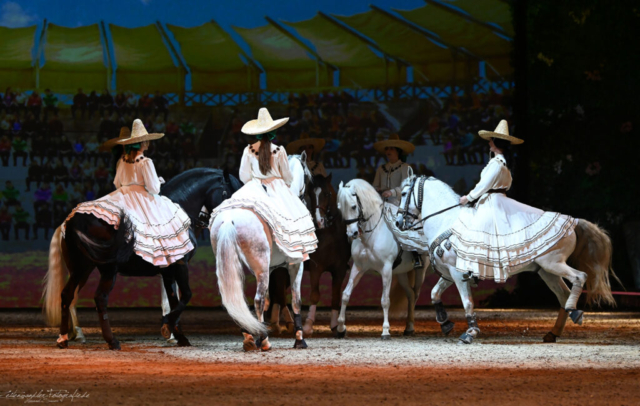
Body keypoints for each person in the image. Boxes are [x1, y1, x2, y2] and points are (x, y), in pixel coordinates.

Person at [451, 120, 578, 282]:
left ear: (496, 143)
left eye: (491, 140)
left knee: (478, 229)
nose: (489, 142)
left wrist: (468, 198)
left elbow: (483, 185)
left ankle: (473, 270)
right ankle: (475, 269)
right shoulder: (502, 163)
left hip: (492, 201)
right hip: (495, 199)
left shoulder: (497, 164)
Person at [62, 119, 194, 267]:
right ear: (143, 143)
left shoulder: (122, 161)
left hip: (122, 194)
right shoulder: (145, 162)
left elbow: (117, 183)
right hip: (140, 197)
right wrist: (158, 181)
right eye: (146, 141)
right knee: (163, 219)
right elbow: (154, 189)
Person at [209, 108, 317, 263]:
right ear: (273, 131)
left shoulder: (248, 150)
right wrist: (284, 186)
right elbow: (287, 176)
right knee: (294, 216)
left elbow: (243, 176)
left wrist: (253, 184)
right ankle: (291, 251)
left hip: (254, 186)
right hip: (277, 186)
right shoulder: (280, 150)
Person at [372, 133, 422, 268]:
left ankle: (415, 255)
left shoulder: (405, 167)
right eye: (387, 149)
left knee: (407, 225)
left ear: (398, 151)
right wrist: (375, 189)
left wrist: (392, 192)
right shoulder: (381, 168)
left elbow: (407, 186)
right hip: (381, 202)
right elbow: (375, 185)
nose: (388, 151)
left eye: (391, 149)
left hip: (399, 203)